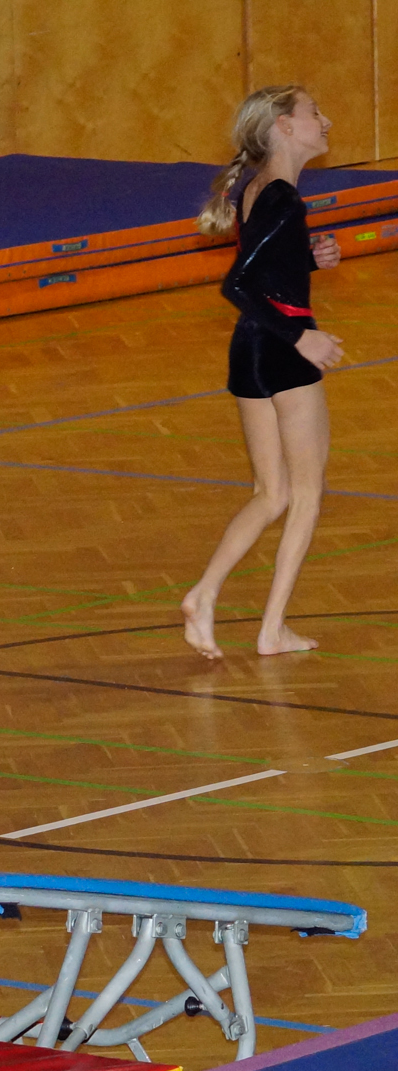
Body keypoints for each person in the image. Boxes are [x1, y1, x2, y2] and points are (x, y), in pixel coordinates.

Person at [183, 85, 346, 660]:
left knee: (270, 493)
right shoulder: (281, 197)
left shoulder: (259, 188)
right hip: (281, 349)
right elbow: (238, 284)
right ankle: (271, 629)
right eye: (314, 112)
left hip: (250, 349)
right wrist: (302, 336)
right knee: (305, 495)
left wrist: (307, 260)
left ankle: (203, 595)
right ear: (284, 126)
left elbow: (264, 271)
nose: (326, 120)